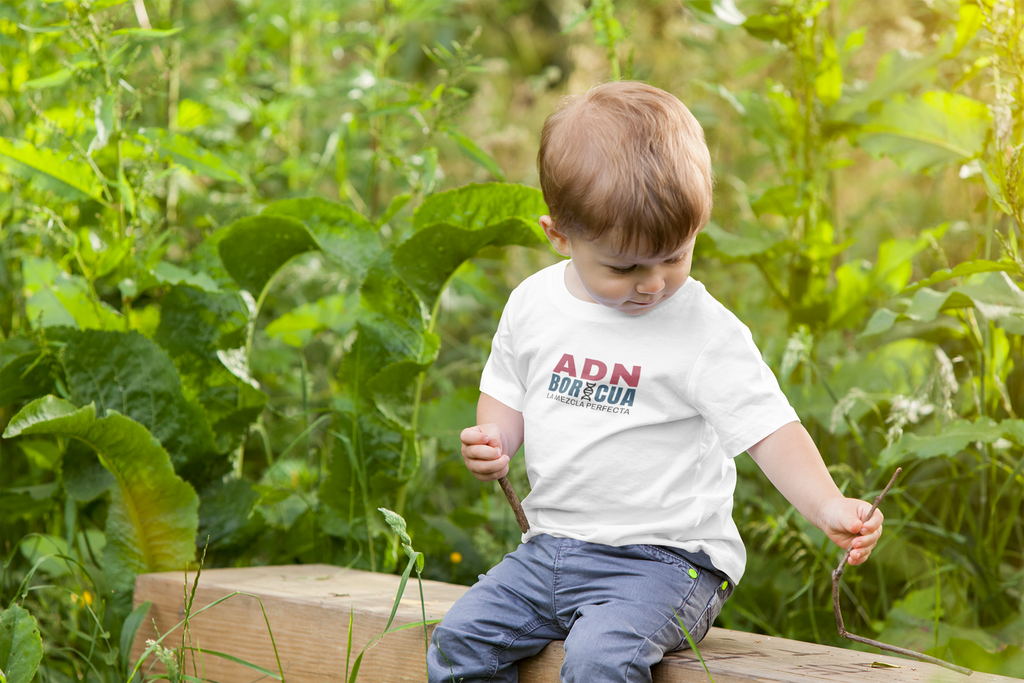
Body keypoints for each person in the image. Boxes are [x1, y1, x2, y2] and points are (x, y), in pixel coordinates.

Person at [426, 81, 883, 683]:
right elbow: (507, 389)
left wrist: (826, 503)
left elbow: (768, 429)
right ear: (559, 235)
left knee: (600, 660)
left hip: (667, 563)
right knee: (461, 643)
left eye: (675, 256)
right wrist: (494, 440)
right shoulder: (534, 303)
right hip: (550, 548)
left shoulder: (702, 331)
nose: (653, 283)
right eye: (624, 267)